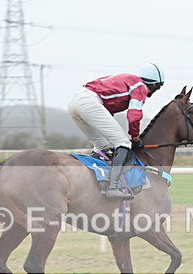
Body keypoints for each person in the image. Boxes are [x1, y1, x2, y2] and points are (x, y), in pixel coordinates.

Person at [68, 63, 164, 199]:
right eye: (158, 88)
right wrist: (135, 137)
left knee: (103, 147)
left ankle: (96, 183)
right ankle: (112, 187)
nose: (151, 94)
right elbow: (134, 116)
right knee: (123, 143)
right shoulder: (140, 86)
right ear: (154, 84)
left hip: (75, 102)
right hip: (89, 102)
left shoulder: (126, 78)